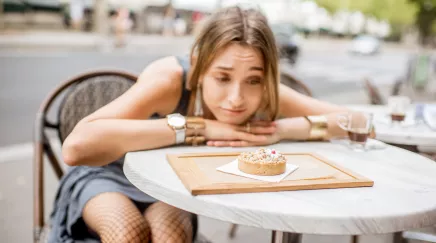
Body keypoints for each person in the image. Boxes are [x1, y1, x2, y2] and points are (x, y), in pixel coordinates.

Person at [49, 6, 356, 243]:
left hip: (170, 186)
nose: (236, 98)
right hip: (110, 173)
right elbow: (77, 147)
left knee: (170, 236)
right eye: (222, 77)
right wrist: (199, 127)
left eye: (253, 80)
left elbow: (355, 121)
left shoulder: (263, 92)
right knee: (128, 233)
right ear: (198, 63)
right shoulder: (170, 78)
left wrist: (280, 130)